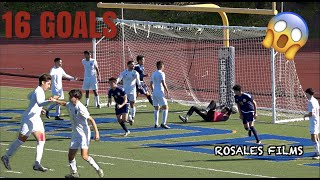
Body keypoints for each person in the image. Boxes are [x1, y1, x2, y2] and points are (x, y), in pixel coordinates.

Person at [1, 74, 55, 172]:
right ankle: (6, 156)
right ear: (43, 82)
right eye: (48, 84)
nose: (49, 86)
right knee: (21, 140)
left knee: (42, 139)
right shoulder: (39, 91)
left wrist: (40, 109)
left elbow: (30, 97)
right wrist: (49, 101)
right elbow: (39, 102)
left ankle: (37, 163)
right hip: (28, 120)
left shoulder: (38, 91)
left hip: (36, 120)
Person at [49, 89, 104, 178]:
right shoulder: (70, 104)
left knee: (84, 156)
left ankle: (98, 169)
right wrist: (55, 100)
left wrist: (97, 133)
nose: (70, 98)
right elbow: (64, 103)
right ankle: (74, 173)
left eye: (71, 97)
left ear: (76, 98)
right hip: (75, 134)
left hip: (84, 135)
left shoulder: (81, 108)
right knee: (70, 156)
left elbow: (91, 120)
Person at [116, 61, 141, 125]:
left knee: (132, 104)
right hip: (125, 92)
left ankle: (132, 117)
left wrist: (140, 86)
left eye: (134, 65)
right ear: (128, 65)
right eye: (132, 65)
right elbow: (119, 78)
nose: (133, 66)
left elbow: (138, 81)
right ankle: (124, 115)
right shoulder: (124, 72)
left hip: (132, 91)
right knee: (124, 103)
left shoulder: (136, 73)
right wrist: (116, 82)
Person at [150, 61, 170, 129]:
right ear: (161, 66)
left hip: (154, 92)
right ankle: (163, 123)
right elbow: (163, 83)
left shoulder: (153, 73)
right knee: (166, 107)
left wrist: (153, 91)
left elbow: (151, 84)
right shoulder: (162, 73)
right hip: (160, 92)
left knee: (156, 108)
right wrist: (167, 91)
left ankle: (156, 123)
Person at [303, 88, 320, 160]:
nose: (305, 94)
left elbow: (311, 114)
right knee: (316, 137)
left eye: (306, 93)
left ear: (308, 93)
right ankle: (317, 151)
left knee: (313, 138)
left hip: (313, 121)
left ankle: (318, 153)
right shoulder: (315, 100)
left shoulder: (310, 102)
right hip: (317, 120)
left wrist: (305, 115)